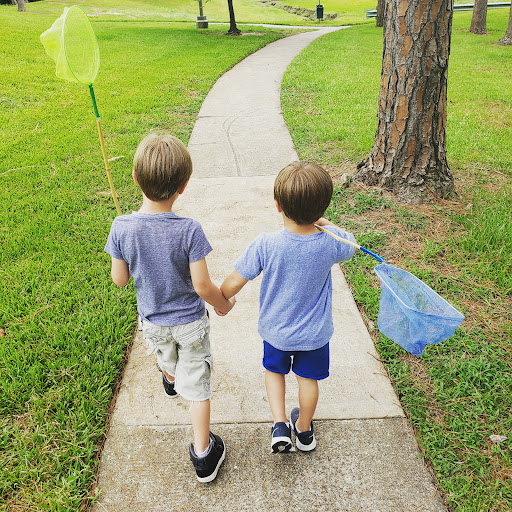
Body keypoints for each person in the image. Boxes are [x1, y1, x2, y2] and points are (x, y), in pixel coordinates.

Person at [104, 133, 235, 482]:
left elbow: (120, 280)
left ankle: (171, 377)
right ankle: (203, 456)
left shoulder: (121, 227)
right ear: (183, 186)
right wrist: (223, 303)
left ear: (135, 178)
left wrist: (125, 248)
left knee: (166, 357)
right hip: (190, 324)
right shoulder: (189, 230)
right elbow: (202, 286)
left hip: (153, 322)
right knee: (198, 388)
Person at [220, 161, 357, 453]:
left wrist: (223, 299)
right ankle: (304, 430)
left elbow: (233, 282)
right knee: (308, 380)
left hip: (276, 332)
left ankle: (280, 424)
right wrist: (324, 223)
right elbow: (351, 244)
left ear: (277, 205)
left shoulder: (266, 244)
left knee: (274, 373)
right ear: (322, 208)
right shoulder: (330, 244)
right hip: (314, 334)